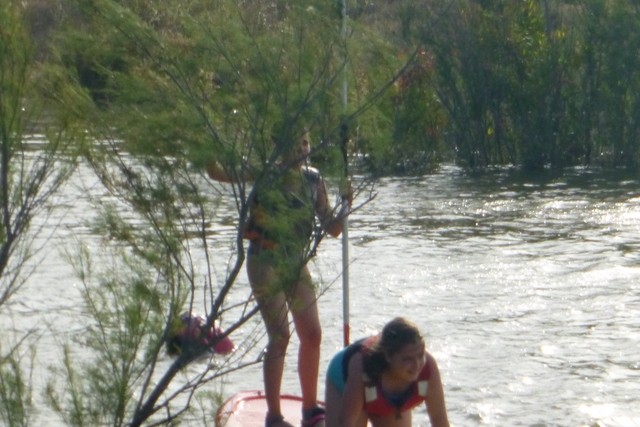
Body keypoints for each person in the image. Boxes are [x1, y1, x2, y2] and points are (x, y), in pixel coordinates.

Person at [207, 126, 349, 427]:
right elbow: (217, 173)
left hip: (295, 261)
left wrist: (345, 204)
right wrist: (206, 144)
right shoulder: (264, 173)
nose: (302, 149)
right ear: (280, 146)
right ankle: (273, 416)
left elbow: (334, 229)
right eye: (295, 143)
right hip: (264, 258)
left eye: (305, 143)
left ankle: (310, 410)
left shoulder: (313, 179)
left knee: (312, 334)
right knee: (280, 335)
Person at [325, 317, 450, 427]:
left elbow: (440, 421)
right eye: (407, 359)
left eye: (420, 355)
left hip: (383, 400)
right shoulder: (362, 367)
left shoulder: (428, 368)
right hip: (343, 379)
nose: (417, 365)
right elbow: (347, 422)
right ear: (388, 356)